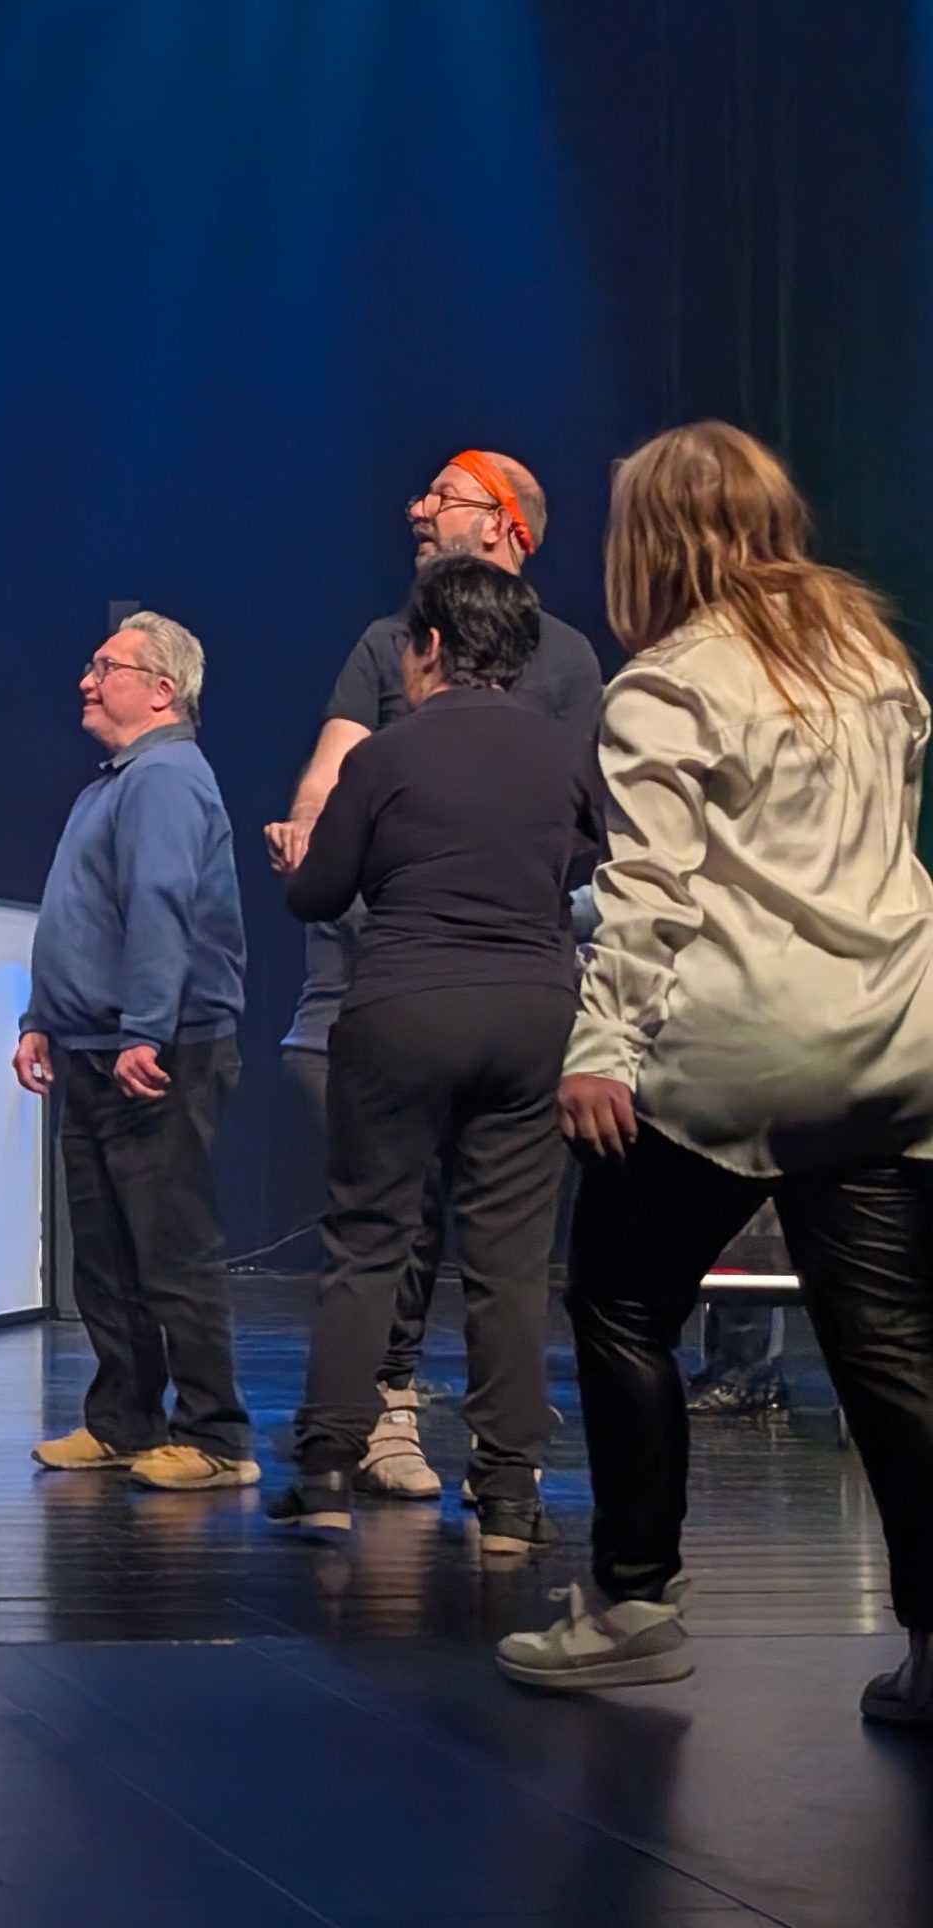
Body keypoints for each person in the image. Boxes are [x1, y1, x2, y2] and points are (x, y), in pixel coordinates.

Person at [497, 423, 933, 1722]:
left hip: (747, 1049)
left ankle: (631, 1602)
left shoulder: (668, 684)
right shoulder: (872, 655)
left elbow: (650, 895)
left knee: (622, 1302)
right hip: (893, 1035)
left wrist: (599, 1050)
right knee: (889, 1348)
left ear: (652, 539)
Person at [265, 452, 603, 1500]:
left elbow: (318, 881)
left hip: (406, 988)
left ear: (432, 649)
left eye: (442, 496)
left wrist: (319, 856)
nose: (416, 507)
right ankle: (507, 1489)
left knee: (370, 1238)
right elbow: (585, 851)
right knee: (508, 1259)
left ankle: (327, 1468)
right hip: (528, 999)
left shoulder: (395, 750)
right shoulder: (554, 757)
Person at [23, 614, 254, 1493]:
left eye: (105, 667)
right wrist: (43, 1017)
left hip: (157, 1050)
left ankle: (217, 1436)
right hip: (97, 1044)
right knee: (107, 1254)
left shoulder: (163, 779)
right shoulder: (116, 782)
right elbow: (81, 915)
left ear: (162, 690)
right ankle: (123, 1420)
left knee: (170, 1249)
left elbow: (162, 907)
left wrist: (145, 1029)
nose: (87, 681)